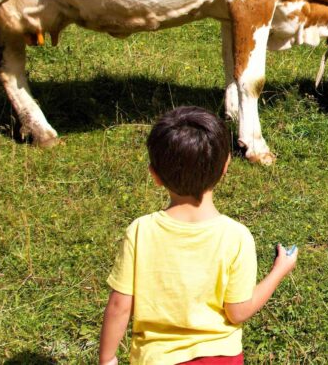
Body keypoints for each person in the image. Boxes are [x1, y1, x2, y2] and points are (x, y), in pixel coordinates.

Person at [99, 106, 297, 365]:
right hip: (221, 358)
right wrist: (279, 271)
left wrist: (107, 358)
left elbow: (119, 306)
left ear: (155, 175)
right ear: (226, 166)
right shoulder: (236, 236)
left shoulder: (141, 231)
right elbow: (238, 311)